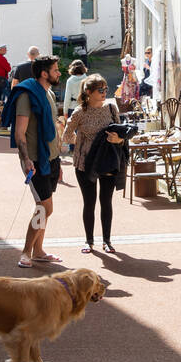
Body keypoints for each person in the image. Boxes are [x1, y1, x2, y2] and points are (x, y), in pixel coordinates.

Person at [7, 56, 64, 267]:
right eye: (55, 70)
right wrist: (26, 160)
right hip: (35, 160)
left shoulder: (48, 92)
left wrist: (57, 158)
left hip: (50, 158)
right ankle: (26, 252)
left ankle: (38, 251)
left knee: (44, 207)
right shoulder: (27, 96)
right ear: (44, 73)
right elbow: (19, 133)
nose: (59, 73)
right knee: (43, 208)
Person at [62, 74, 124, 255]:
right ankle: (89, 241)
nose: (105, 93)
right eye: (101, 90)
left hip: (107, 161)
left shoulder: (111, 109)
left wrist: (118, 139)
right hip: (85, 163)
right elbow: (66, 136)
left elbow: (121, 134)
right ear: (88, 92)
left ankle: (107, 241)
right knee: (89, 202)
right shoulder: (79, 112)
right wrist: (81, 142)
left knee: (106, 201)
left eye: (106, 89)